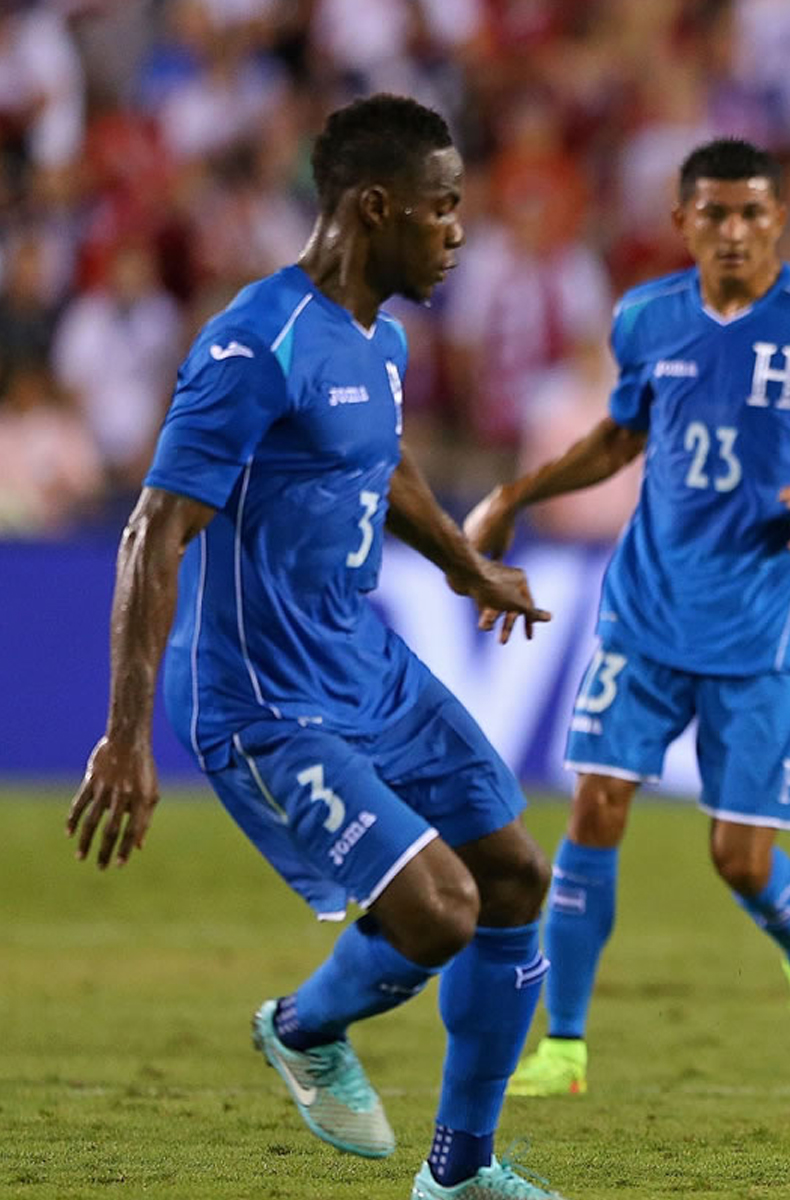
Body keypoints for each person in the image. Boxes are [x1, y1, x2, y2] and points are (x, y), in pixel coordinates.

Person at [64, 94, 569, 1200]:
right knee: (440, 910)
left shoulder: (381, 337)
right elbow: (157, 528)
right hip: (266, 704)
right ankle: (300, 1027)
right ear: (374, 208)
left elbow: (380, 466)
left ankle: (460, 1171)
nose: (459, 233)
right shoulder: (258, 341)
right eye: (443, 210)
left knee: (520, 877)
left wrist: (463, 564)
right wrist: (124, 735)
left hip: (364, 664)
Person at [465, 138, 790, 1099]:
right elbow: (624, 433)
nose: (735, 231)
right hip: (647, 608)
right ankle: (567, 1046)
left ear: (779, 221)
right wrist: (519, 493)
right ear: (683, 223)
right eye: (714, 213)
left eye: (754, 213)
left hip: (761, 622)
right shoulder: (646, 318)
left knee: (739, 858)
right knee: (596, 804)